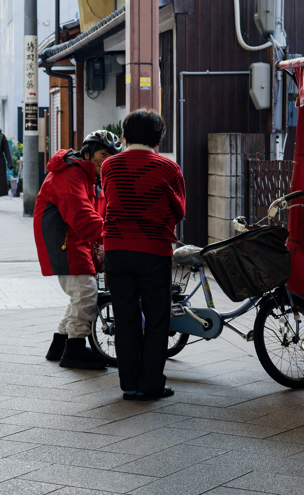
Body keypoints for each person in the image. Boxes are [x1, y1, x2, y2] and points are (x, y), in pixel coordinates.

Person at [101, 109, 185, 400]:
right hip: (153, 250)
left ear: (125, 135)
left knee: (125, 318)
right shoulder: (169, 168)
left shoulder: (109, 166)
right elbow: (181, 210)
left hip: (116, 248)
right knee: (157, 318)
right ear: (158, 137)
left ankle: (129, 385)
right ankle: (151, 385)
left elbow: (110, 199)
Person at [34, 130, 122, 370]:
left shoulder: (87, 176)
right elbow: (81, 214)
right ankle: (74, 350)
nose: (106, 161)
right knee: (85, 292)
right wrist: (111, 236)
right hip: (66, 241)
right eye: (103, 154)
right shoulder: (71, 173)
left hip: (73, 240)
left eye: (111, 157)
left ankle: (60, 344)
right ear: (87, 152)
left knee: (80, 294)